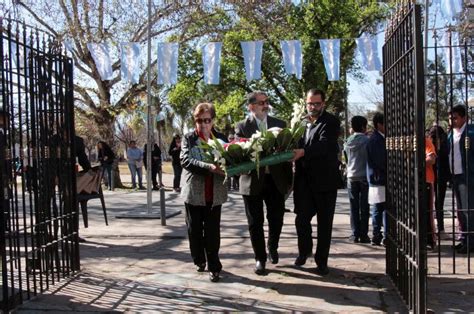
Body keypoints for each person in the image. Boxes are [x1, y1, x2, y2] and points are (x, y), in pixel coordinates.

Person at [235, 91, 293, 275]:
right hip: (252, 182)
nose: (266, 105)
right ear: (251, 106)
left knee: (276, 219)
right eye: (261, 102)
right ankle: (259, 258)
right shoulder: (242, 127)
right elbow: (239, 152)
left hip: (275, 180)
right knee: (255, 222)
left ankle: (272, 246)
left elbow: (288, 150)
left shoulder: (280, 124)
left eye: (267, 102)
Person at [292, 89, 341, 276]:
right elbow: (295, 143)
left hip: (325, 182)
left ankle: (322, 261)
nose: (313, 107)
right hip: (304, 181)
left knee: (324, 223)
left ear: (323, 104)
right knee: (301, 219)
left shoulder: (331, 121)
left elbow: (325, 145)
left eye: (317, 104)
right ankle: (304, 251)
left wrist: (303, 152)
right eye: (310, 103)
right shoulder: (301, 122)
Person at [180, 103, 228, 282]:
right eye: (199, 120)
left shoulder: (221, 139)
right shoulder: (189, 138)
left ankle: (214, 266)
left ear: (212, 121)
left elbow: (230, 159)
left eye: (207, 120)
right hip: (194, 194)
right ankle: (199, 259)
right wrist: (209, 167)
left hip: (215, 194)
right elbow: (186, 160)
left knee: (212, 232)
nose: (203, 124)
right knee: (194, 231)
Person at [448, 105, 474, 254]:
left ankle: (471, 242)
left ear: (464, 117)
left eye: (455, 117)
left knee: (467, 210)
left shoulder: (470, 131)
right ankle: (464, 239)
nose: (452, 120)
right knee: (460, 210)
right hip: (455, 175)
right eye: (451, 118)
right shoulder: (452, 133)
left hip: (467, 175)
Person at [344, 116, 370, 244]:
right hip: (364, 176)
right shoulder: (367, 141)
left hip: (351, 176)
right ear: (364, 126)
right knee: (364, 206)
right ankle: (364, 234)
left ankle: (354, 234)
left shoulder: (347, 141)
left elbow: (346, 158)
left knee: (353, 206)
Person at [366, 112, 387, 246]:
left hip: (377, 177)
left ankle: (378, 234)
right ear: (379, 125)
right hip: (378, 177)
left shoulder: (377, 138)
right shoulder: (376, 140)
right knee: (380, 208)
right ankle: (379, 235)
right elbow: (381, 160)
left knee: (379, 207)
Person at [429, 125, 450, 238]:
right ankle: (437, 228)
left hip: (438, 176)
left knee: (436, 203)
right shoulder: (440, 144)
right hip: (435, 176)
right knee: (435, 203)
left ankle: (438, 228)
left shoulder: (444, 145)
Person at [425, 136, 437, 250]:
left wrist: (417, 163)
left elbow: (432, 159)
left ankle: (430, 240)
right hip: (411, 180)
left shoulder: (426, 141)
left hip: (426, 180)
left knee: (427, 212)